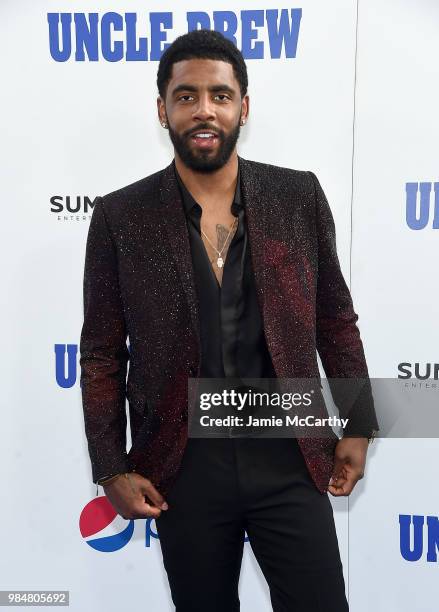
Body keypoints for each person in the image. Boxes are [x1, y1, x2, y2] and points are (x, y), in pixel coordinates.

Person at [80, 29, 378, 612]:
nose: (203, 110)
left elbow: (335, 322)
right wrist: (111, 466)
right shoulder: (121, 215)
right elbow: (101, 354)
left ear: (244, 106)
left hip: (290, 454)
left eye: (219, 94)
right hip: (182, 468)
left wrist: (360, 425)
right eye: (185, 96)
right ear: (162, 110)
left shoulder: (297, 196)